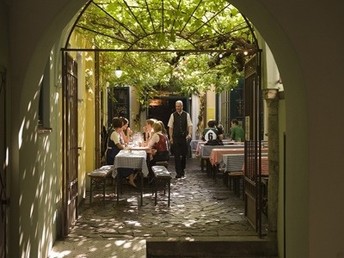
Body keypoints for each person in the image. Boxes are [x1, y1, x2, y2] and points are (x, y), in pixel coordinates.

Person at [105, 117, 137, 187]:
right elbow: (118, 145)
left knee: (129, 162)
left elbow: (122, 143)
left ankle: (130, 180)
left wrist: (125, 146)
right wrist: (126, 148)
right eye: (122, 125)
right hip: (112, 155)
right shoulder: (114, 133)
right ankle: (127, 180)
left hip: (116, 154)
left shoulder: (117, 133)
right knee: (127, 164)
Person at [168, 100, 193, 178]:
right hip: (176, 138)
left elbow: (190, 125)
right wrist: (171, 137)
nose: (177, 108)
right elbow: (170, 127)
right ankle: (178, 172)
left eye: (179, 106)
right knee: (177, 155)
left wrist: (189, 134)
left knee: (184, 155)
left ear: (182, 106)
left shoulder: (186, 115)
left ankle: (182, 170)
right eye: (176, 106)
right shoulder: (173, 115)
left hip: (184, 138)